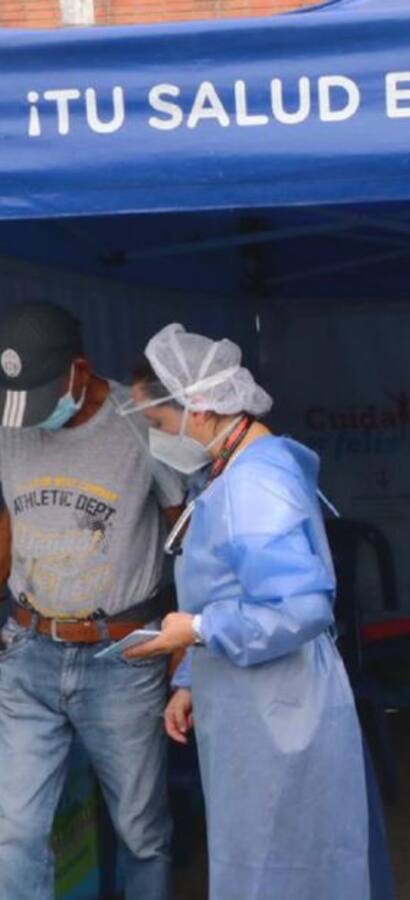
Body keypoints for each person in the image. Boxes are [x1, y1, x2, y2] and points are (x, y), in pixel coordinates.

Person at [121, 323, 372, 900]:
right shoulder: (232, 468)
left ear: (201, 406)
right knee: (257, 855)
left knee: (285, 864)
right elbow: (229, 584)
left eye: (157, 423)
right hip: (249, 697)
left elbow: (301, 607)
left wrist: (200, 631)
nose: (156, 437)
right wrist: (189, 675)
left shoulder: (254, 483)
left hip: (278, 708)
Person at [0, 301, 183, 900]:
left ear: (79, 372)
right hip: (27, 651)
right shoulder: (8, 418)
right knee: (13, 832)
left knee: (141, 831)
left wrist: (185, 651)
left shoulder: (140, 421)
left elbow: (186, 533)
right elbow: (5, 523)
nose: (28, 417)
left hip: (120, 659)